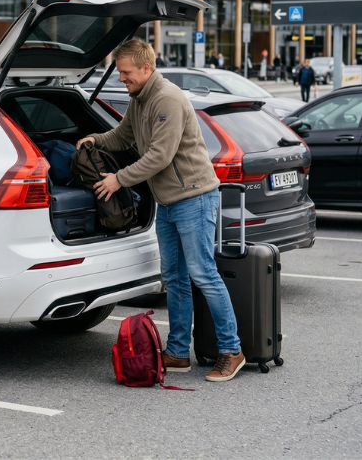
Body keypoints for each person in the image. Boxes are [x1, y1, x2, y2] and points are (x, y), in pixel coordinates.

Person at [76, 39, 244, 382]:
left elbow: (160, 156)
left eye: (126, 73)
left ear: (145, 69)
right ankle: (178, 353)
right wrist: (95, 138)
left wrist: (117, 180)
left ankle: (232, 350)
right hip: (168, 203)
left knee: (203, 275)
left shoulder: (166, 98)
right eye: (120, 73)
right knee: (174, 280)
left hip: (194, 197)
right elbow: (122, 137)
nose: (122, 79)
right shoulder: (141, 99)